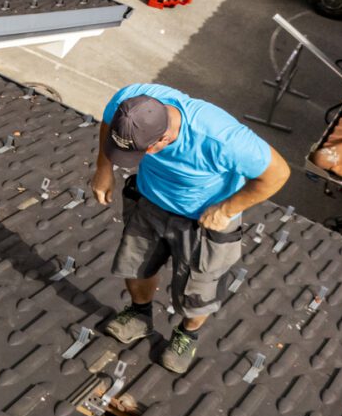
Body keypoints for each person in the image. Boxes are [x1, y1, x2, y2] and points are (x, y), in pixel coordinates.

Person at [90, 84, 289, 374]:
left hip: (204, 218)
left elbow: (278, 173)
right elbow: (109, 124)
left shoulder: (222, 139)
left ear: (165, 138)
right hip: (149, 201)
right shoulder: (128, 103)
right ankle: (139, 314)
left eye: (137, 153)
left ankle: (186, 335)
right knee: (135, 267)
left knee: (198, 291)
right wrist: (103, 168)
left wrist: (227, 209)